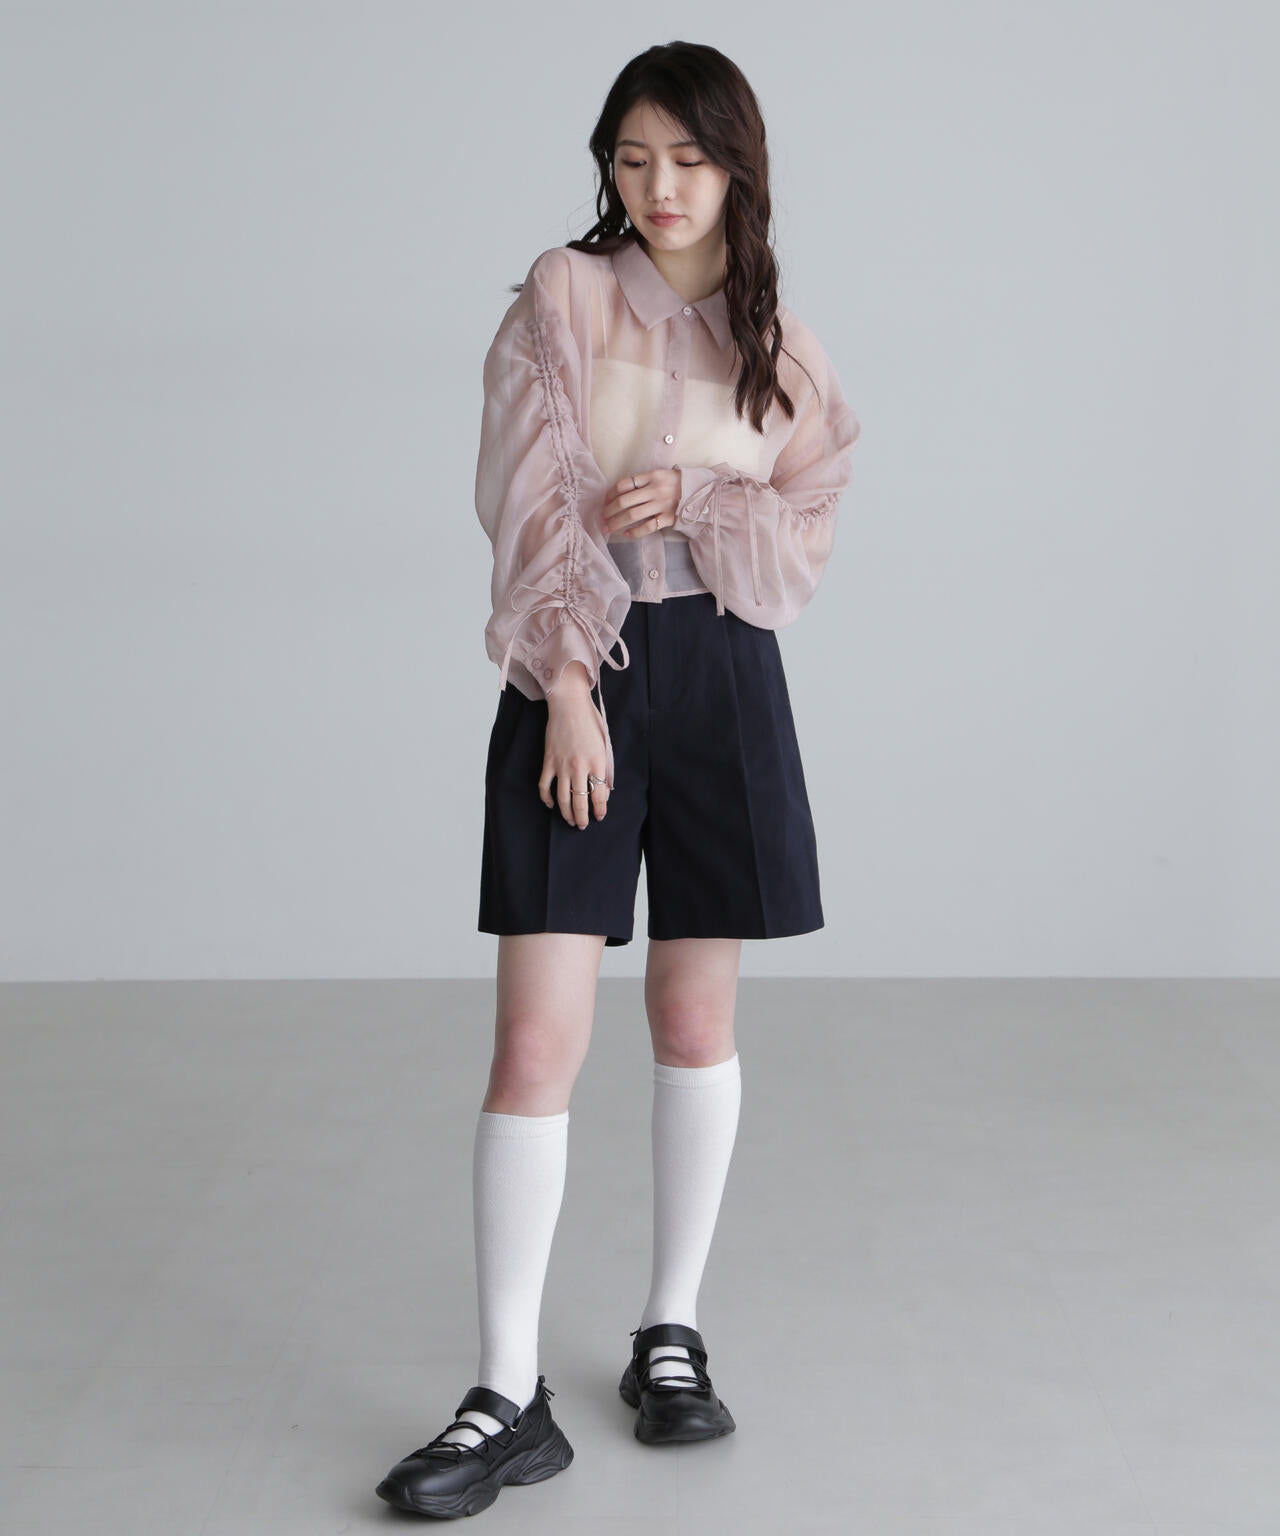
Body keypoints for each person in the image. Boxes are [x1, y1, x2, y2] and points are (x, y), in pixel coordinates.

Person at [376, 40, 860, 1520]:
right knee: (537, 1041)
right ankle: (507, 1392)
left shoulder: (780, 341)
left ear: (738, 169)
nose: (660, 186)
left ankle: (671, 1329)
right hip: (576, 680)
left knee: (693, 1018)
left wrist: (709, 495)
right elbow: (530, 505)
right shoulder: (564, 297)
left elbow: (808, 521)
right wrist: (573, 688)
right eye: (634, 157)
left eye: (689, 160)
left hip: (724, 680)